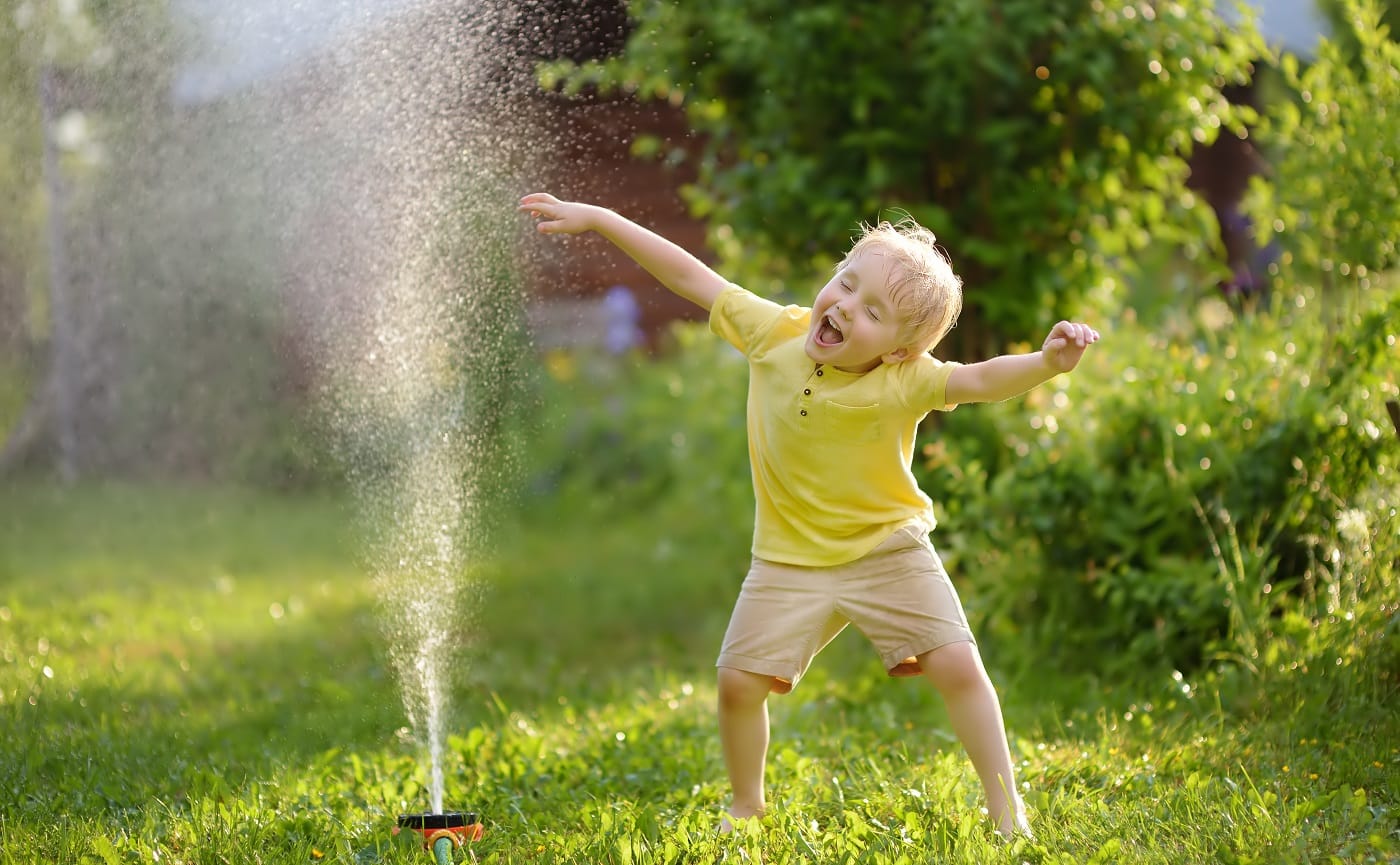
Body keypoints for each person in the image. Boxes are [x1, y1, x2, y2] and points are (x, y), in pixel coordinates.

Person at [518, 192, 1100, 838]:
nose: (845, 306)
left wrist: (1047, 364)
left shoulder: (904, 381)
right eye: (846, 284)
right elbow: (689, 275)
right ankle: (746, 805)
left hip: (888, 551)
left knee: (958, 666)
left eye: (872, 311)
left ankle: (1007, 810)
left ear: (901, 350)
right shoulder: (775, 333)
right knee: (738, 682)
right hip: (789, 557)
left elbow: (980, 379)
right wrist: (601, 219)